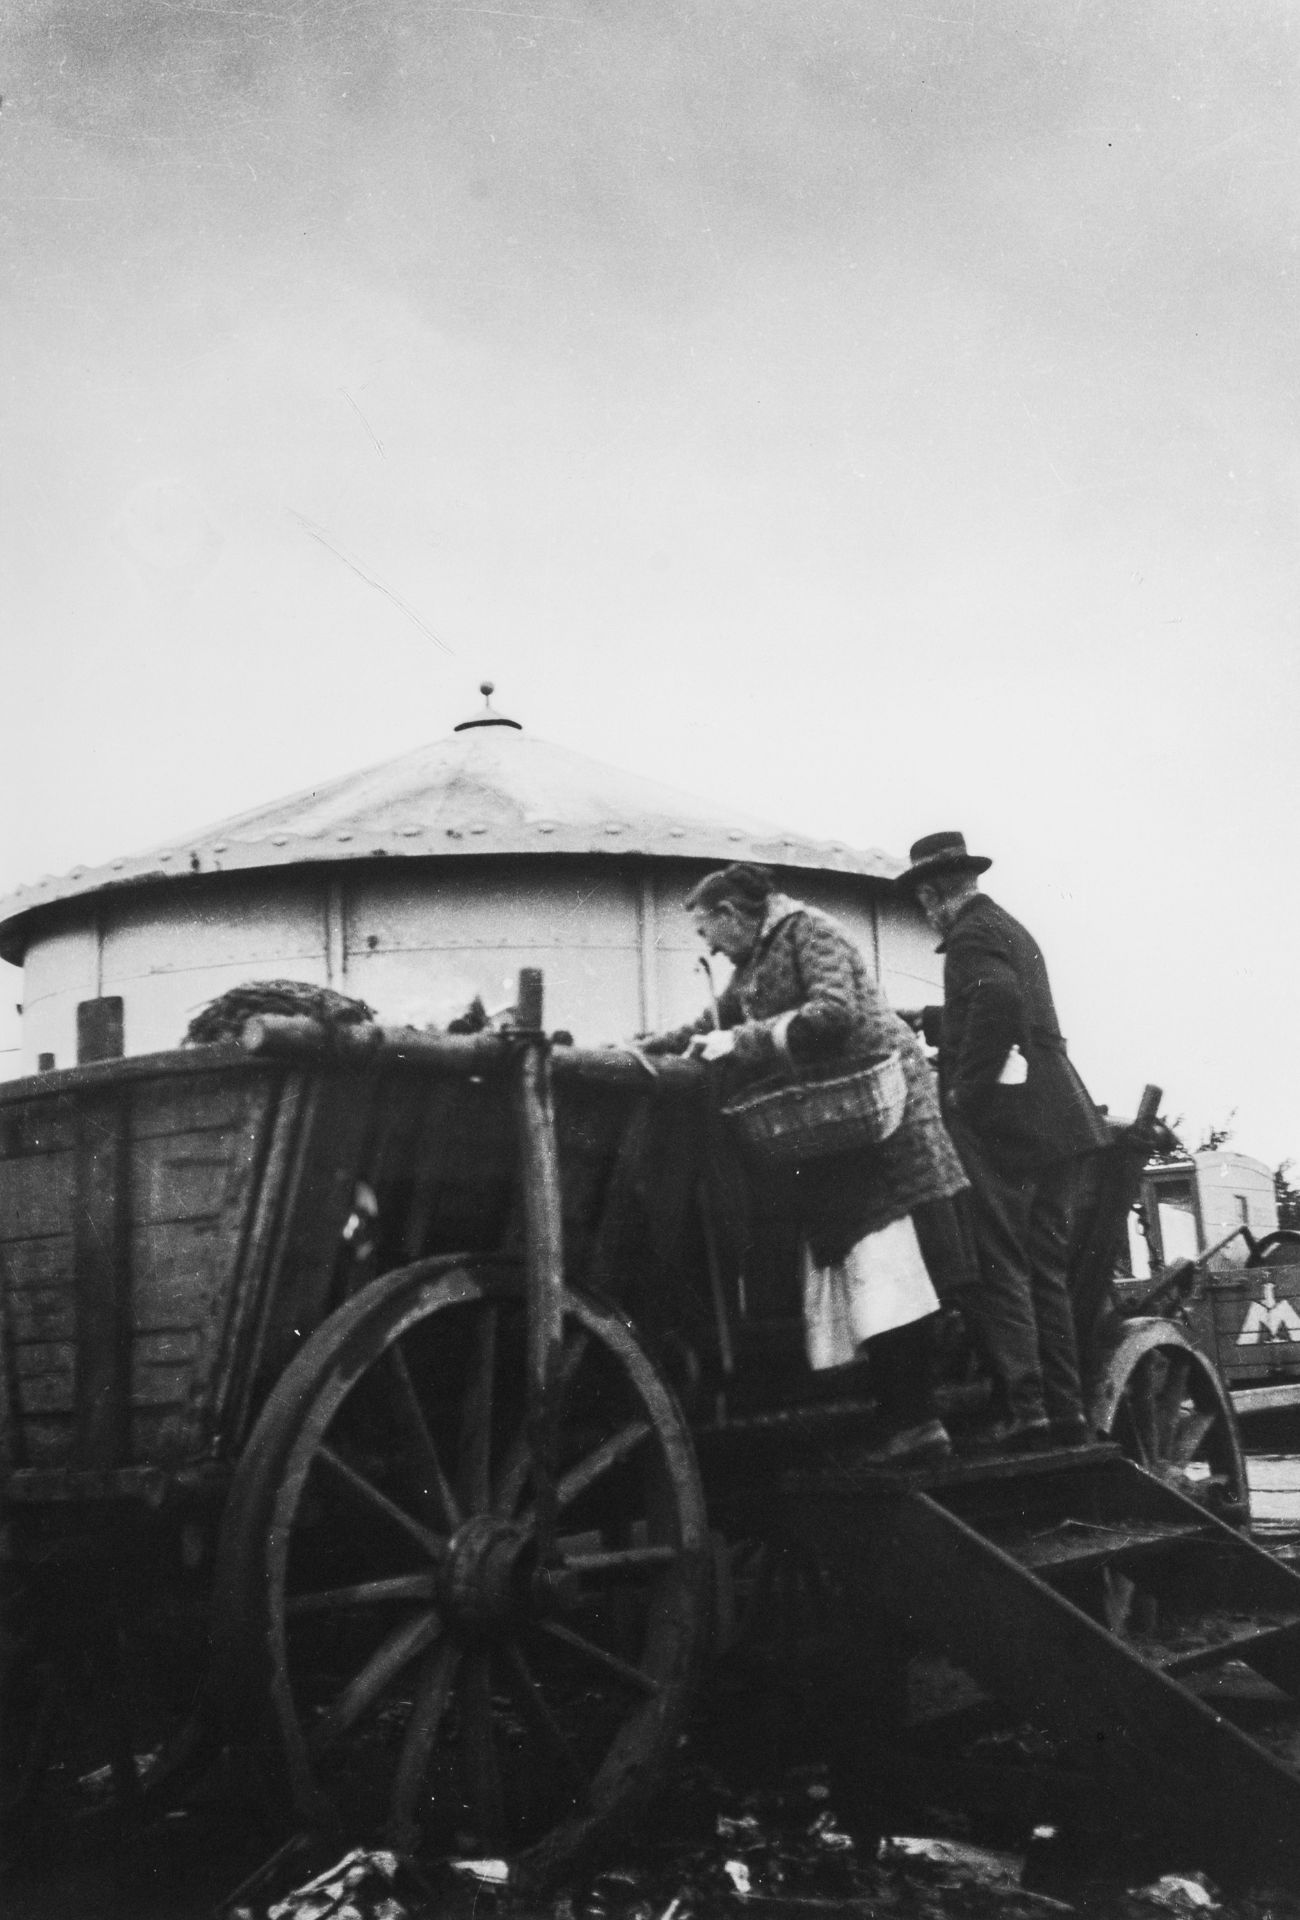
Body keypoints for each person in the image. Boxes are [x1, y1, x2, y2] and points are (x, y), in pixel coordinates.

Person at [641, 862, 970, 1468]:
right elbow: (710, 1024)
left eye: (707, 931)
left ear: (734, 915)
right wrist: (643, 1050)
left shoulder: (809, 932)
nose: (707, 945)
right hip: (841, 1127)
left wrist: (743, 1043)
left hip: (885, 1123)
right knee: (855, 1270)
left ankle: (918, 1425)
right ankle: (896, 1420)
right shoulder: (755, 960)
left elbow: (833, 1015)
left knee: (886, 1269)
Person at [897, 831, 1110, 1450]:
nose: (925, 913)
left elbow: (998, 1000)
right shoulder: (1008, 927)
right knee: (1046, 1268)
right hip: (1059, 1116)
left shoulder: (966, 937)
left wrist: (963, 1092)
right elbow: (1005, 1008)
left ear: (935, 894)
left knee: (1001, 1264)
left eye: (923, 903)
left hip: (1009, 1126)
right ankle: (1063, 1410)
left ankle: (1025, 1409)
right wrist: (933, 1020)